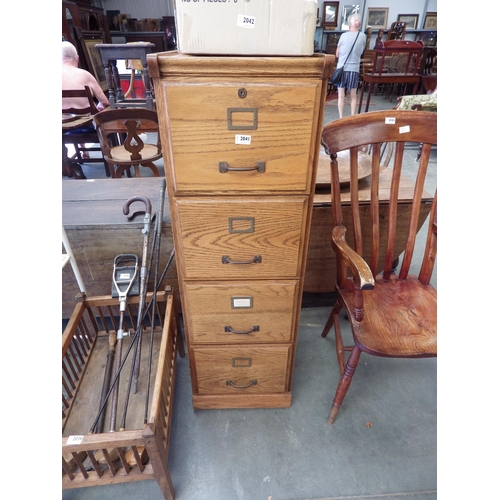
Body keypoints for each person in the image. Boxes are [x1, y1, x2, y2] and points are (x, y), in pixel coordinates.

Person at [62, 41, 109, 112]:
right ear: (77, 58)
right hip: (87, 121)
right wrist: (100, 105)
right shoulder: (85, 75)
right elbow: (105, 102)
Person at [335, 13, 366, 119]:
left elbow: (337, 54)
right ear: (359, 23)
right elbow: (361, 51)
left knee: (341, 95)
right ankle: (352, 117)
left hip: (342, 69)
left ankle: (341, 118)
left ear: (349, 24)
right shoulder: (362, 36)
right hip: (354, 69)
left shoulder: (343, 36)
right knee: (353, 95)